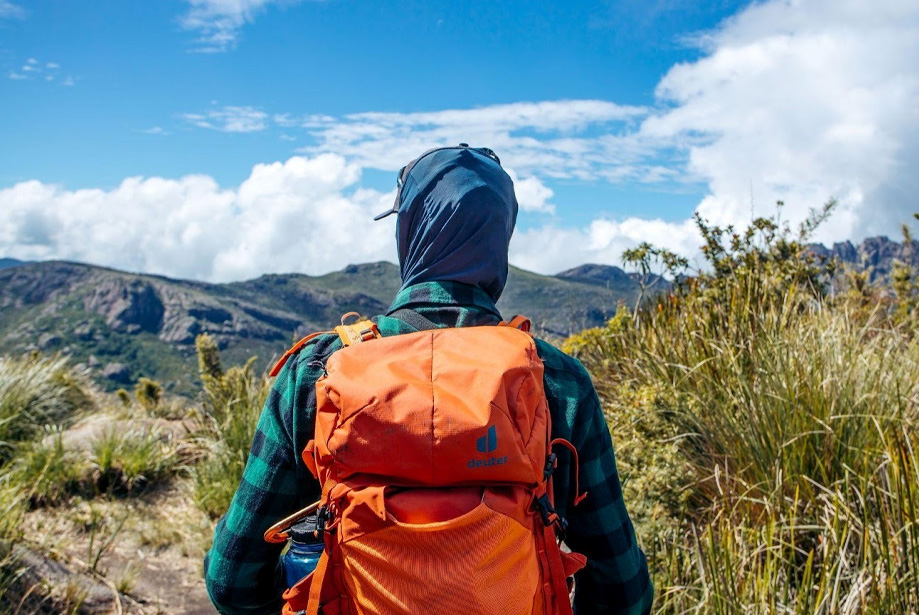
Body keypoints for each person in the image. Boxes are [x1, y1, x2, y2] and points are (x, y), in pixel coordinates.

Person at [204, 144, 654, 615]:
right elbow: (624, 592)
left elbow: (232, 582)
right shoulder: (554, 380)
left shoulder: (317, 371)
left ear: (408, 230)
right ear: (501, 236)